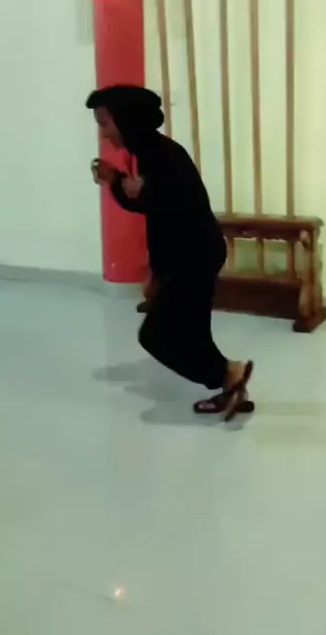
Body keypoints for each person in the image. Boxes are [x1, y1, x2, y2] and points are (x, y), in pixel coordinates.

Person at [87, 84, 254, 420]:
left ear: (126, 119)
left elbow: (166, 205)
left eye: (105, 123)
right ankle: (231, 387)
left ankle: (229, 373)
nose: (103, 134)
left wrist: (125, 185)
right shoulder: (149, 152)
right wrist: (118, 183)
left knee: (156, 336)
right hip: (191, 254)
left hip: (193, 257)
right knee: (192, 332)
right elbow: (151, 206)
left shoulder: (161, 156)